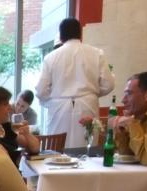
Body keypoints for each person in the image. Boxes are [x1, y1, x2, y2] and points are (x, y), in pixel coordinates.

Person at [35, 17, 115, 148]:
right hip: (88, 104)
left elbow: (41, 90)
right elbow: (109, 84)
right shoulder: (96, 53)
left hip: (59, 107)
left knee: (57, 149)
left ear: (60, 37)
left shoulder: (51, 57)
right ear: (80, 34)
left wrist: (53, 99)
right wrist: (92, 93)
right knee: (87, 146)